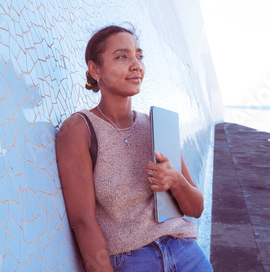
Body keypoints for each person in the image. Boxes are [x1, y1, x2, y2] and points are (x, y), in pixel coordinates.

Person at [56, 25, 213, 271]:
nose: (136, 65)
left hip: (186, 254)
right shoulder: (80, 129)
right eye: (122, 56)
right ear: (95, 69)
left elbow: (196, 208)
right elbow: (82, 221)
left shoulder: (156, 125)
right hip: (132, 260)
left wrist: (176, 181)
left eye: (139, 56)